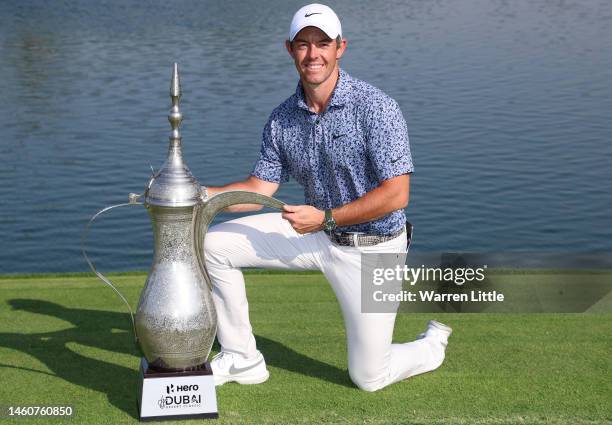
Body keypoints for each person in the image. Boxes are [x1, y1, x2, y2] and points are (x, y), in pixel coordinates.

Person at [202, 3, 451, 392]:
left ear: (340, 47)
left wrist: (327, 218)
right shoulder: (283, 118)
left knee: (369, 377)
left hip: (375, 248)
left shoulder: (376, 108)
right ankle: (242, 358)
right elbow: (257, 190)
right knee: (213, 245)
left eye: (322, 43)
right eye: (303, 44)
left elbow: (397, 194)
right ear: (290, 50)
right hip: (315, 234)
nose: (313, 54)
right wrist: (198, 195)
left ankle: (431, 344)